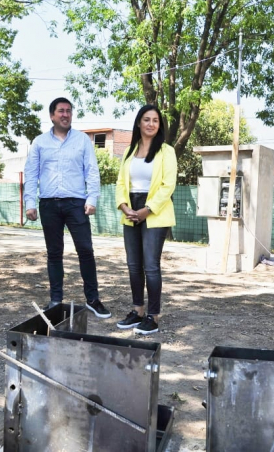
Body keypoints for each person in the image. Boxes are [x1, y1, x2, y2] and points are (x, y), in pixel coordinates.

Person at [24, 97, 111, 318]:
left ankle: (92, 299)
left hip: (76, 204)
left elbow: (92, 171)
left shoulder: (82, 140)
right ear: (52, 115)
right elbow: (32, 173)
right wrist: (30, 203)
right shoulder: (39, 142)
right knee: (54, 253)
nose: (65, 114)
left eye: (69, 111)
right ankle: (55, 300)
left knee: (86, 250)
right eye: (61, 111)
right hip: (49, 204)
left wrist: (92, 199)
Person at [115, 105, 177, 335]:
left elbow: (168, 185)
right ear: (139, 123)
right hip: (130, 210)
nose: (151, 124)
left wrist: (146, 210)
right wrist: (124, 206)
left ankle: (153, 315)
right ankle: (137, 311)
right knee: (133, 266)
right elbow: (121, 183)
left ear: (159, 125)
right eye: (146, 119)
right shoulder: (129, 151)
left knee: (151, 266)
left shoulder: (166, 151)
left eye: (155, 120)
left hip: (155, 213)